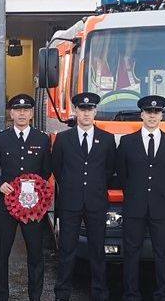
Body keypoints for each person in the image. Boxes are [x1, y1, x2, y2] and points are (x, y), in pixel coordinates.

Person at [115, 95, 165, 301]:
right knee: (131, 253)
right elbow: (122, 173)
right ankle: (131, 294)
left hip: (162, 207)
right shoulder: (127, 143)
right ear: (141, 115)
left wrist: (161, 192)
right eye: (148, 112)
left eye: (156, 112)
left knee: (163, 254)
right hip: (134, 206)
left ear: (161, 115)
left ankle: (162, 294)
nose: (152, 116)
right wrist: (135, 192)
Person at [0, 94, 53, 301]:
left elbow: (46, 170)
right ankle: (2, 296)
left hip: (33, 207)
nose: (22, 113)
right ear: (11, 113)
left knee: (35, 254)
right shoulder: (1, 138)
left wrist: (38, 190)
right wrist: (0, 185)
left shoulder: (42, 139)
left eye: (26, 110)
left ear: (32, 114)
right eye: (17, 110)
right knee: (2, 254)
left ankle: (35, 296)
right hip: (5, 205)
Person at [52, 92, 115, 301]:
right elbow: (57, 169)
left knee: (98, 250)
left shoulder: (106, 139)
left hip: (96, 202)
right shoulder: (63, 139)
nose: (86, 113)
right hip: (71, 202)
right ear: (76, 111)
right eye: (82, 109)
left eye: (90, 109)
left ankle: (100, 293)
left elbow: (109, 170)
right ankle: (62, 293)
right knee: (67, 250)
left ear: (95, 111)